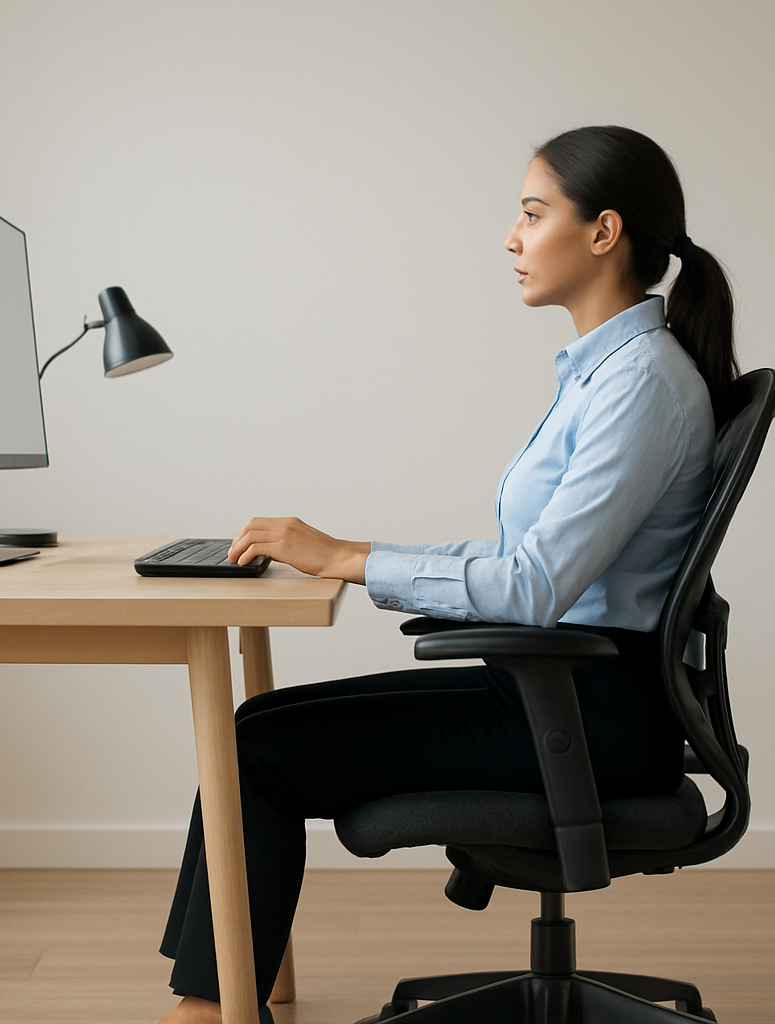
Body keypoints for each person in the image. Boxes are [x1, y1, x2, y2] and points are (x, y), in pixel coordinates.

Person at [154, 125, 738, 1024]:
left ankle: (210, 1011)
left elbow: (532, 588)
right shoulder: (609, 375)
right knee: (251, 730)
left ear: (603, 231)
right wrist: (349, 551)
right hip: (557, 689)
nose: (511, 237)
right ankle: (226, 991)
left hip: (588, 714)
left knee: (257, 757)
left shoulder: (641, 387)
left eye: (533, 214)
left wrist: (348, 562)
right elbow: (517, 560)